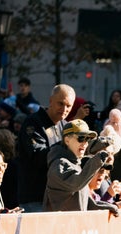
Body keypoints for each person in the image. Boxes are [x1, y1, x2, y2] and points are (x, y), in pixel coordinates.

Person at [17, 84, 76, 212]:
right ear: (50, 101)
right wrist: (66, 146)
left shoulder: (65, 126)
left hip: (57, 199)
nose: (64, 109)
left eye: (69, 106)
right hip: (34, 197)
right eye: (60, 103)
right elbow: (38, 156)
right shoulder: (33, 123)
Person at [43, 120, 121, 214]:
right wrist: (98, 159)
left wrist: (113, 206)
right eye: (81, 138)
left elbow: (87, 203)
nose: (85, 143)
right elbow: (76, 184)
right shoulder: (59, 164)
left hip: (75, 225)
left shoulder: (76, 164)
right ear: (67, 140)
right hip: (60, 226)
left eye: (87, 139)